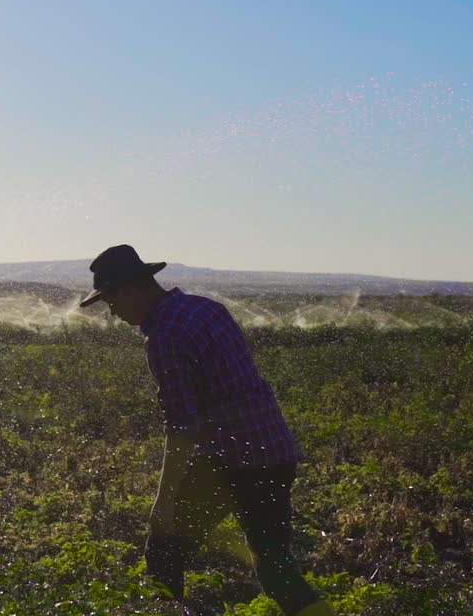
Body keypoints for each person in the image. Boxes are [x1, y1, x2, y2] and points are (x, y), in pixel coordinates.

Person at [80, 245, 334, 616]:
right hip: (274, 453)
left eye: (111, 303)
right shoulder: (205, 307)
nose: (113, 314)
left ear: (128, 291)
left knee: (164, 550)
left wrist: (162, 503)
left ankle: (162, 608)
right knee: (276, 567)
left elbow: (182, 427)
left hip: (232, 463)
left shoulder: (164, 337)